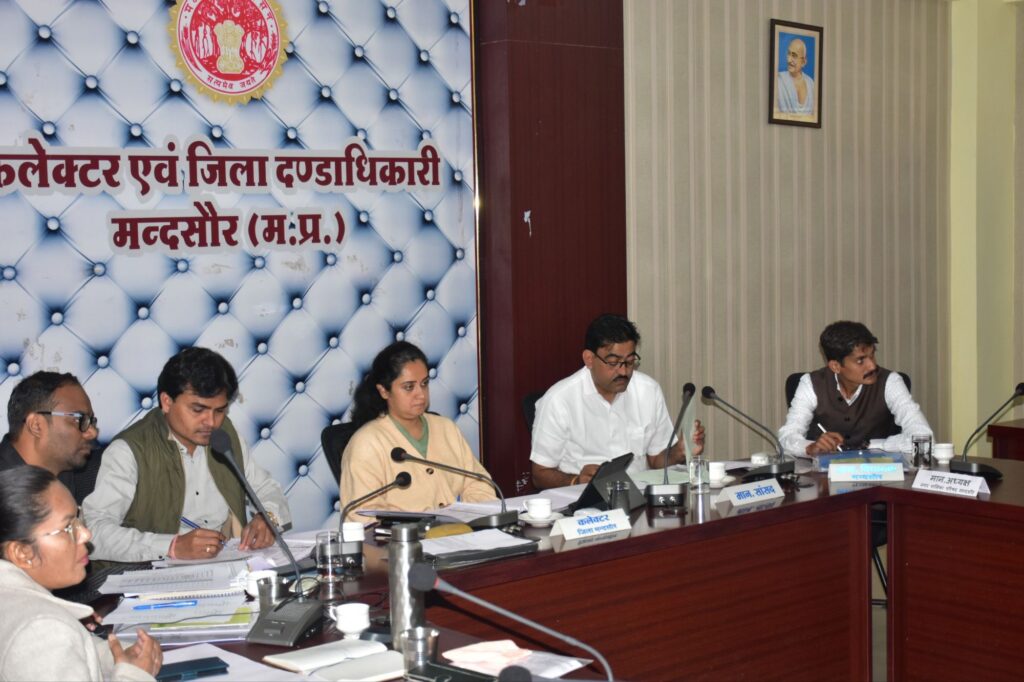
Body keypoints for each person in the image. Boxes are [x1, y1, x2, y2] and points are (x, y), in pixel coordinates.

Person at [83, 348, 290, 563]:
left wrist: (268, 518)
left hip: (226, 567)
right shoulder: (128, 450)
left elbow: (266, 488)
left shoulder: (225, 435)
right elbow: (94, 531)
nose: (211, 422)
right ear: (167, 402)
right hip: (154, 572)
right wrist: (172, 546)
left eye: (219, 411)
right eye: (198, 410)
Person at [0, 466, 161, 680]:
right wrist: (136, 674)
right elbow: (48, 641)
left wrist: (118, 657)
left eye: (79, 520)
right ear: (22, 553)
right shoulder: (40, 629)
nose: (86, 534)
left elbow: (69, 652)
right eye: (68, 528)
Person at [530, 314, 704, 490]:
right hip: (582, 498)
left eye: (630, 362)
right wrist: (576, 481)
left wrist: (680, 451)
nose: (623, 371)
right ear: (589, 359)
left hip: (639, 494)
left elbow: (656, 460)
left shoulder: (648, 390)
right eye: (613, 362)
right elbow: (540, 474)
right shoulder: (559, 400)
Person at [340, 341, 497, 520]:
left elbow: (479, 485)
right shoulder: (366, 443)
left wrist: (472, 518)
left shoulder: (446, 429)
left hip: (459, 532)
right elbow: (362, 516)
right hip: (401, 537)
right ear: (384, 391)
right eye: (409, 387)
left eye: (424, 384)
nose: (421, 395)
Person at [778, 320, 933, 456]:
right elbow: (787, 437)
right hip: (823, 476)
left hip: (877, 474)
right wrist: (809, 447)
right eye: (860, 360)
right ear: (835, 366)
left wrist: (871, 446)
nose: (872, 366)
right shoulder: (811, 384)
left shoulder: (890, 382)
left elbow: (924, 439)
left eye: (872, 355)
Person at [0, 371, 99, 499]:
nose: (93, 433)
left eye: (91, 421)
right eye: (79, 419)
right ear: (36, 425)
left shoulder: (88, 475)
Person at [776, 37, 816, 115]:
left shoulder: (811, 84)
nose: (789, 60)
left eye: (794, 56)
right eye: (788, 54)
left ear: (803, 62)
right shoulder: (778, 80)